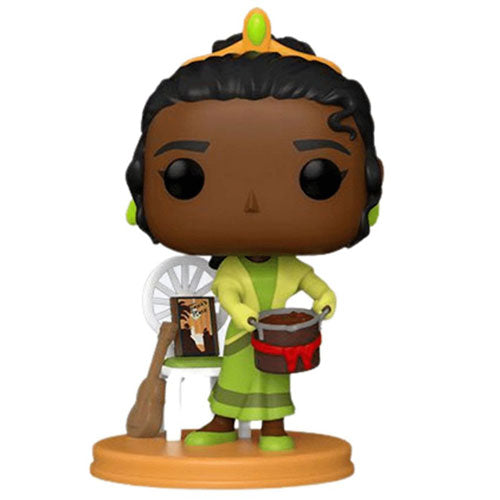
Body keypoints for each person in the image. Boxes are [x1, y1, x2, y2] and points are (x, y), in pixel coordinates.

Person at [126, 9, 382, 451]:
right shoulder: (232, 270)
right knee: (234, 379)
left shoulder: (290, 269)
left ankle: (274, 429)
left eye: (317, 177)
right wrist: (245, 316)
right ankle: (222, 422)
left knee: (274, 387)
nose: (251, 205)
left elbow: (312, 283)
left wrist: (323, 299)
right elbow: (226, 292)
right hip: (245, 338)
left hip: (278, 341)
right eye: (185, 177)